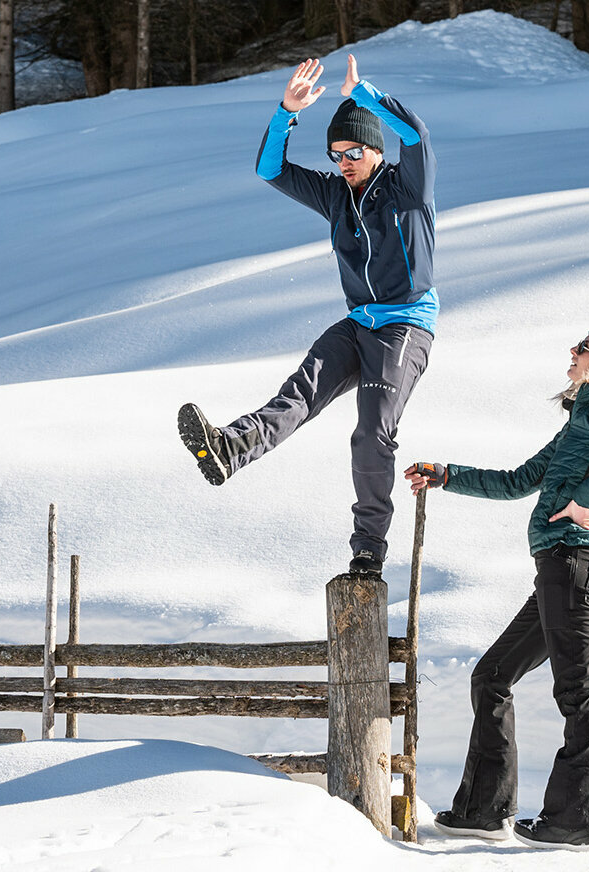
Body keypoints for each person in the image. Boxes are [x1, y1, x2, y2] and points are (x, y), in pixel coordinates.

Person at [177, 54, 438, 578]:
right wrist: (285, 113)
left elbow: (418, 134)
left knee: (371, 433)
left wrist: (363, 95)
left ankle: (369, 547)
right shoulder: (335, 195)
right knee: (298, 394)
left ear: (375, 150)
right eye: (335, 153)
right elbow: (269, 168)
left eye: (354, 151)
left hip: (405, 325)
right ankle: (232, 448)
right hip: (357, 323)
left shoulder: (407, 188)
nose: (343, 161)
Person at [407, 326, 589, 850]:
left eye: (583, 346)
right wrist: (448, 475)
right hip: (560, 569)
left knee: (575, 692)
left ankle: (573, 822)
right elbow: (519, 480)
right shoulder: (581, 419)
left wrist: (584, 501)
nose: (572, 351)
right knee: (491, 675)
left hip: (574, 563)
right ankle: (483, 811)